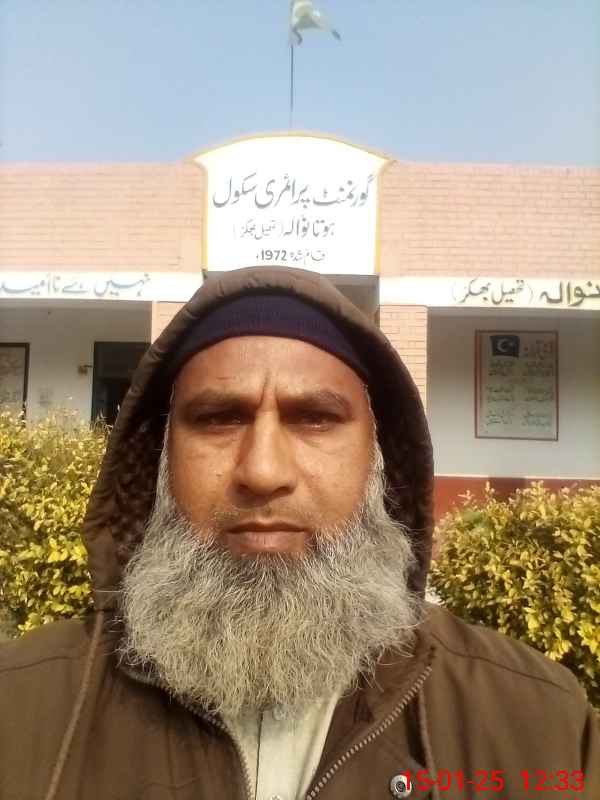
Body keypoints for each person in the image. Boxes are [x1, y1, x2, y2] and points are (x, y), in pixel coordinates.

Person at [1, 265, 598, 800]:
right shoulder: (24, 706)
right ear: (159, 462)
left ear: (379, 462)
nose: (263, 472)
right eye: (218, 418)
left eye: (314, 418)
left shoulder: (541, 726)